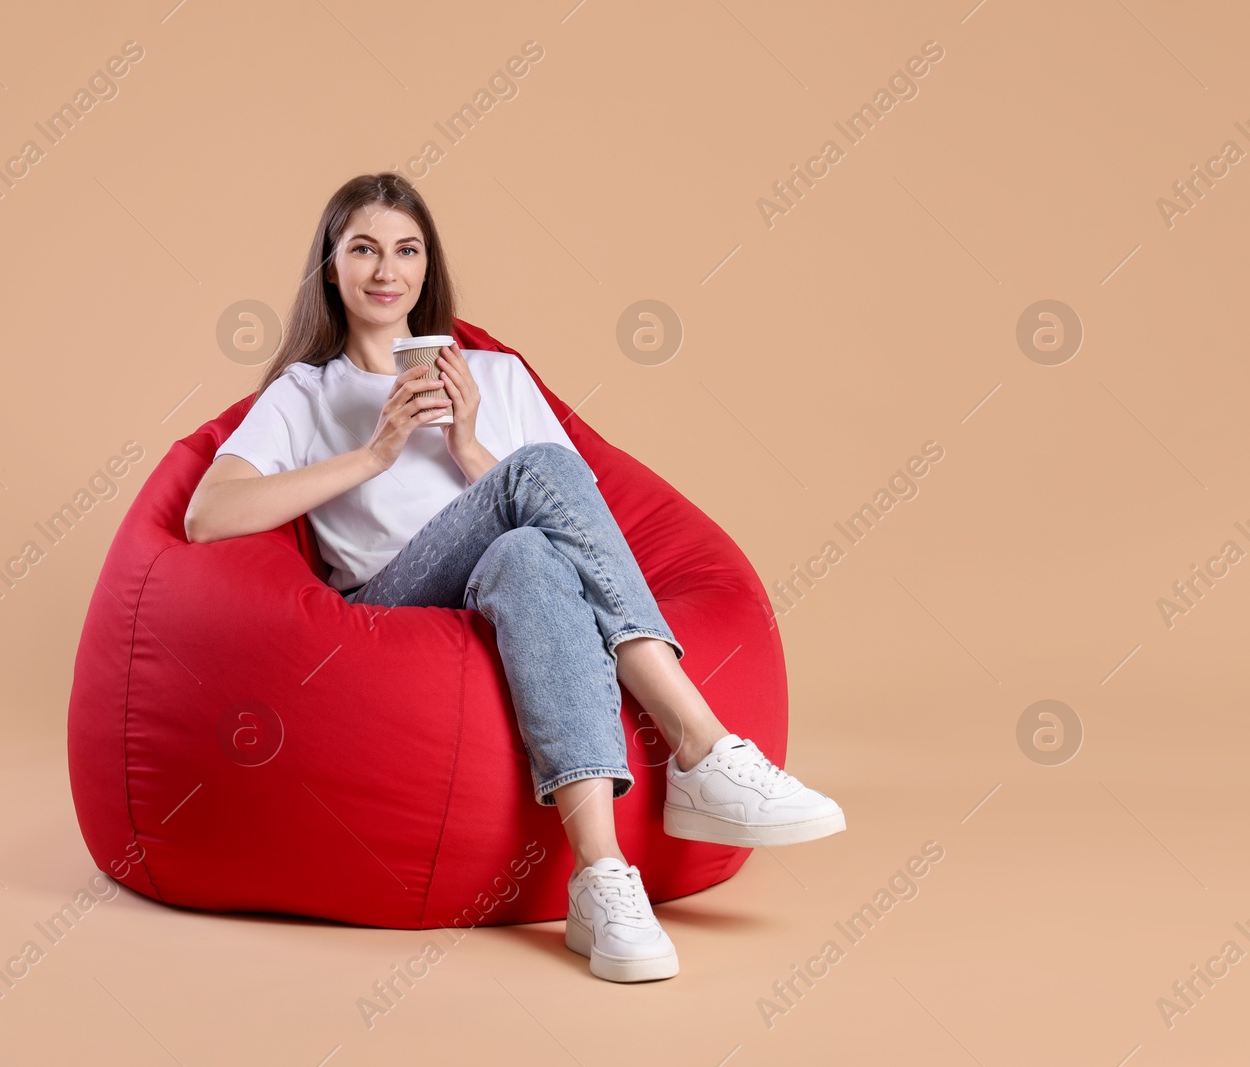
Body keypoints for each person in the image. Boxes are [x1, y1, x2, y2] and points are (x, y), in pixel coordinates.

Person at [184, 173, 845, 983]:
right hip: (390, 600)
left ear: (428, 268)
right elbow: (208, 515)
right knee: (536, 475)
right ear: (330, 267)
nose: (386, 270)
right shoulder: (307, 391)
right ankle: (700, 745)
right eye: (363, 249)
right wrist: (375, 453)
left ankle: (600, 878)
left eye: (406, 250)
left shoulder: (495, 377)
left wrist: (466, 444)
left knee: (528, 553)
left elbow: (573, 525)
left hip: (500, 574)